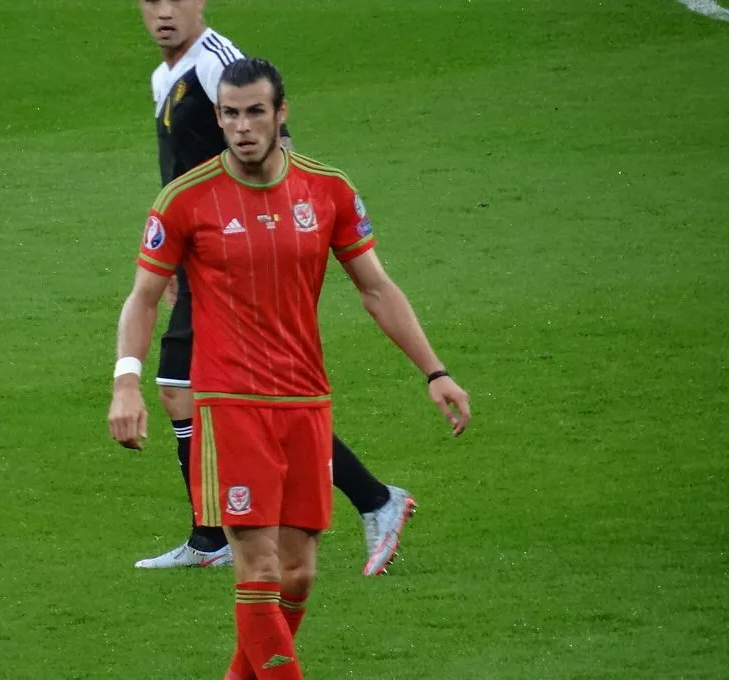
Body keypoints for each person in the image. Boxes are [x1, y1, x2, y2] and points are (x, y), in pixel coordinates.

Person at [108, 57, 471, 679]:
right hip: (230, 405)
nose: (242, 127)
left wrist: (435, 372)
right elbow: (143, 298)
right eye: (229, 114)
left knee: (298, 573)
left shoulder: (327, 190)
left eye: (255, 112)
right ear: (217, 117)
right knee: (259, 568)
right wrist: (126, 381)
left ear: (281, 113)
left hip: (306, 403)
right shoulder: (185, 199)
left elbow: (376, 289)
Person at [136, 0, 415, 577]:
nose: (163, 12)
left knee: (216, 392)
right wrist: (177, 262)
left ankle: (370, 500)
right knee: (182, 390)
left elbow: (273, 147)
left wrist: (273, 233)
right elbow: (182, 173)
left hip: (237, 253)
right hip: (205, 247)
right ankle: (214, 532)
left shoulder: (217, 61)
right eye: (151, 0)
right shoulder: (165, 75)